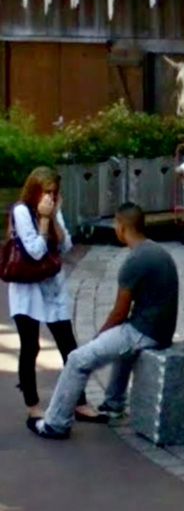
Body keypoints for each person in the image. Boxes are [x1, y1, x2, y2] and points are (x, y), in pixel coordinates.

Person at [28, 202, 179, 440]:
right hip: (161, 331)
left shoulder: (133, 262)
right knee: (122, 346)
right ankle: (113, 404)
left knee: (78, 359)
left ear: (122, 227)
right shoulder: (158, 252)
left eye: (116, 225)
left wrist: (99, 336)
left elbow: (119, 312)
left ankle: (55, 423)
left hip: (144, 332)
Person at [8, 166, 104, 423]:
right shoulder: (21, 211)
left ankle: (79, 402)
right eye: (46, 192)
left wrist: (54, 218)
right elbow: (35, 251)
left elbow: (66, 246)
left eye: (54, 192)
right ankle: (32, 405)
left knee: (68, 345)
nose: (50, 197)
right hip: (27, 288)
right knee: (31, 346)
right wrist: (43, 220)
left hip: (52, 285)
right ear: (34, 191)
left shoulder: (53, 209)